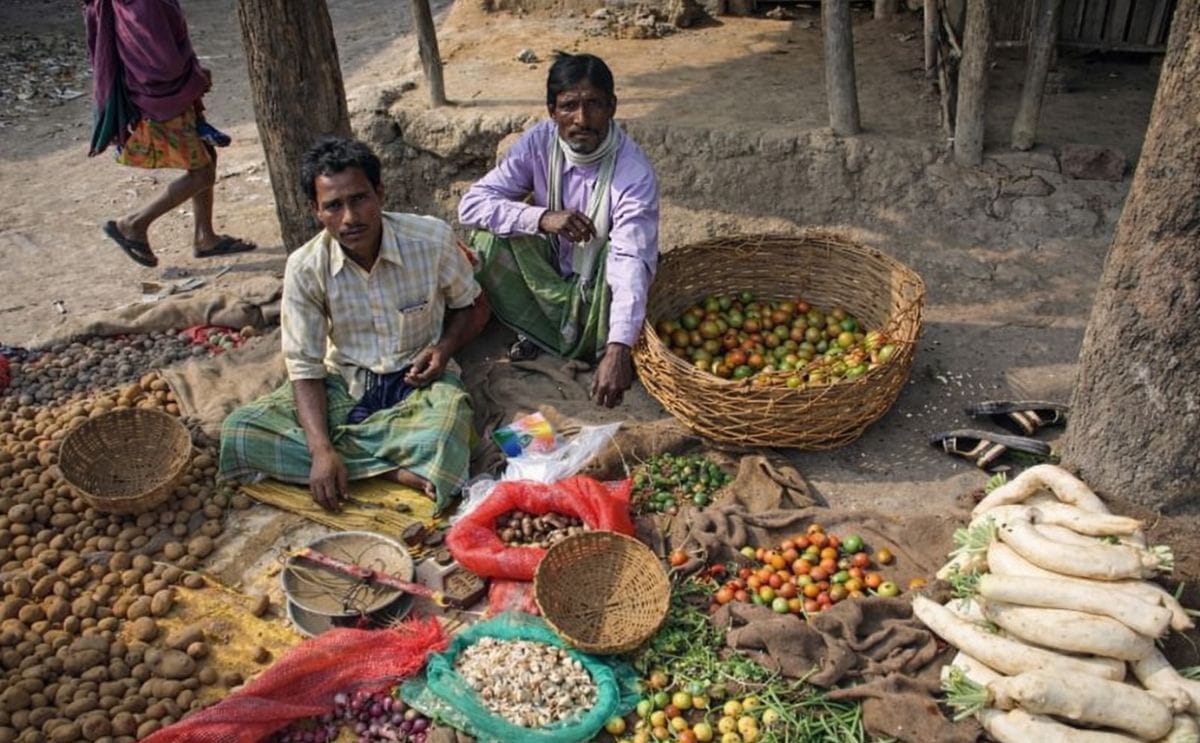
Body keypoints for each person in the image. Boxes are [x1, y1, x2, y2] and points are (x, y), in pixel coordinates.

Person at [218, 138, 491, 513]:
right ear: (316, 211)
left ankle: (362, 464)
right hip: (345, 383)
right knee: (240, 431)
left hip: (419, 382)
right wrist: (320, 449)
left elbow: (473, 306)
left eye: (359, 199)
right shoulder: (305, 266)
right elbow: (304, 365)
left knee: (447, 433)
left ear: (379, 193)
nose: (350, 217)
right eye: (333, 206)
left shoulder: (430, 239)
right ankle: (394, 470)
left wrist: (443, 350)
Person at [458, 52, 660, 409]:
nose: (581, 119)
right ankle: (539, 328)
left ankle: (594, 342)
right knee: (489, 238)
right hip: (552, 269)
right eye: (569, 106)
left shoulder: (633, 174)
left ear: (612, 107)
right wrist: (542, 218)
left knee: (627, 266)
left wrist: (619, 351)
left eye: (593, 104)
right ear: (552, 111)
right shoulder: (539, 144)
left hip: (598, 291)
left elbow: (630, 261)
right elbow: (472, 205)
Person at [84, 0, 255, 267]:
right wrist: (195, 77)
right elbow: (164, 63)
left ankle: (205, 237)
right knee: (202, 172)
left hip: (160, 94)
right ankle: (133, 224)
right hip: (161, 98)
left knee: (205, 154)